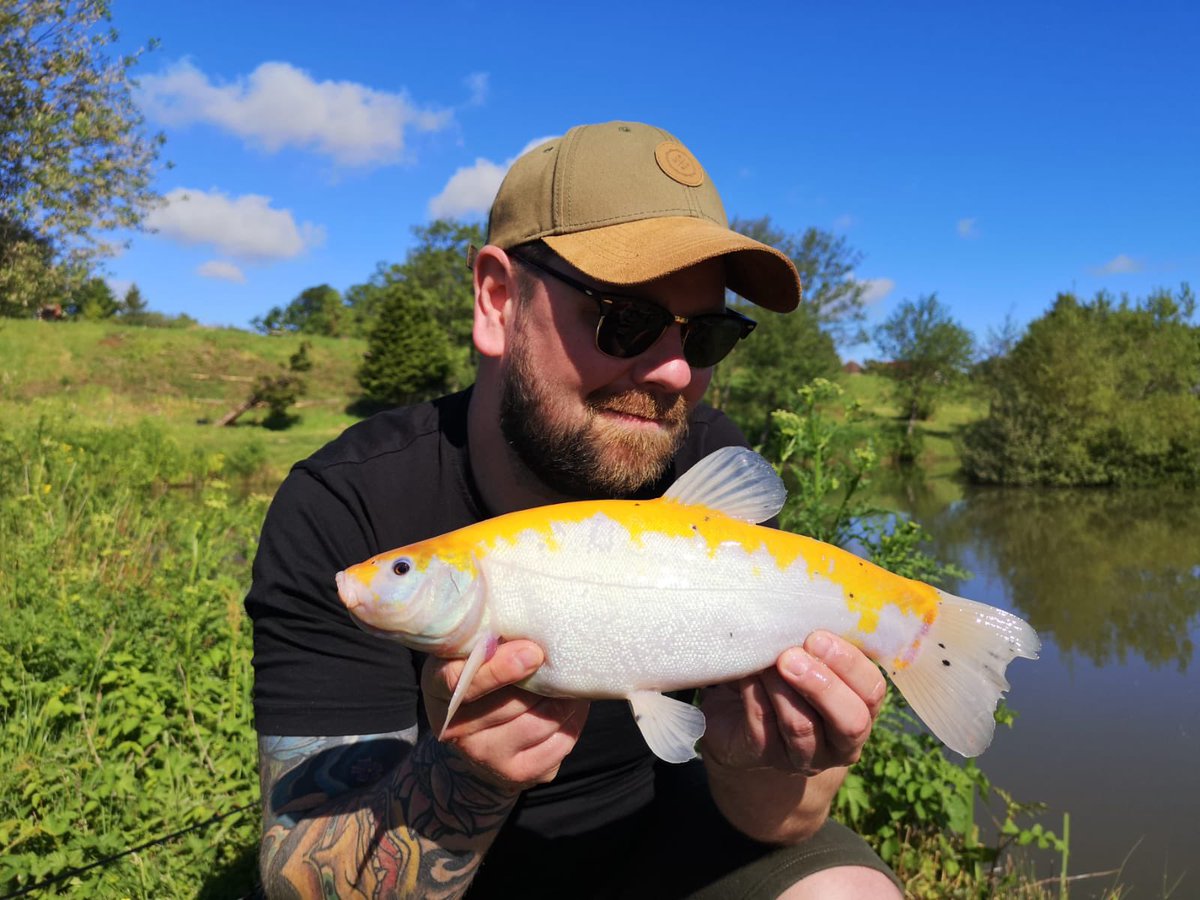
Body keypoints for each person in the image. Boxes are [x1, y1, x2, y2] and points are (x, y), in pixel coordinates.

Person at [246, 120, 903, 899]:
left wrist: (757, 758)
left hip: (659, 830)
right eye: (623, 317)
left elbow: (781, 824)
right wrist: (462, 778)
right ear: (497, 300)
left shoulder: (693, 457)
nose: (671, 372)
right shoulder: (345, 503)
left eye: (708, 337)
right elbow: (299, 883)